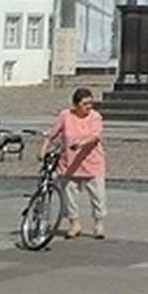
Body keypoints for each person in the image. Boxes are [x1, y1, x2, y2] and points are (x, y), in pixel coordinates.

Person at [40, 87, 106, 240]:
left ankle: (99, 223)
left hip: (92, 162)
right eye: (85, 104)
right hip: (69, 163)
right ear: (76, 105)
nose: (88, 107)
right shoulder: (65, 115)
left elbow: (95, 136)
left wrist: (81, 143)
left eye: (90, 103)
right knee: (69, 196)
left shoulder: (95, 117)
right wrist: (43, 149)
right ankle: (74, 223)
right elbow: (52, 133)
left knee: (98, 196)